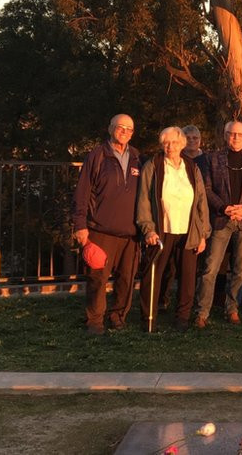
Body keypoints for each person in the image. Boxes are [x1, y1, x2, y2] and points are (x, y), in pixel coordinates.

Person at [72, 114, 141, 335]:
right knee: (97, 279)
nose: (124, 132)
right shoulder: (97, 155)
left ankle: (117, 317)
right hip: (100, 230)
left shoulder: (137, 157)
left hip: (131, 233)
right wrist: (80, 225)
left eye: (129, 129)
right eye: (120, 127)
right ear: (110, 128)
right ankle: (95, 321)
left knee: (126, 279)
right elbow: (82, 192)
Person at [136, 127, 210, 332]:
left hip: (188, 230)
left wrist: (203, 234)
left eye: (175, 143)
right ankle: (149, 317)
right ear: (161, 144)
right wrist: (148, 229)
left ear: (182, 144)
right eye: (166, 143)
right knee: (153, 274)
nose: (170, 147)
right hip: (161, 230)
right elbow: (143, 200)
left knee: (187, 277)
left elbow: (201, 201)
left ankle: (182, 318)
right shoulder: (153, 165)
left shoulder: (191, 167)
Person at [196, 121, 242, 327]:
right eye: (231, 134)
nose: (235, 138)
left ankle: (232, 308)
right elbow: (206, 189)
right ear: (225, 135)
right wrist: (223, 207)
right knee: (210, 268)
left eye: (240, 134)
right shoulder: (212, 158)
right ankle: (202, 312)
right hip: (222, 218)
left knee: (240, 270)